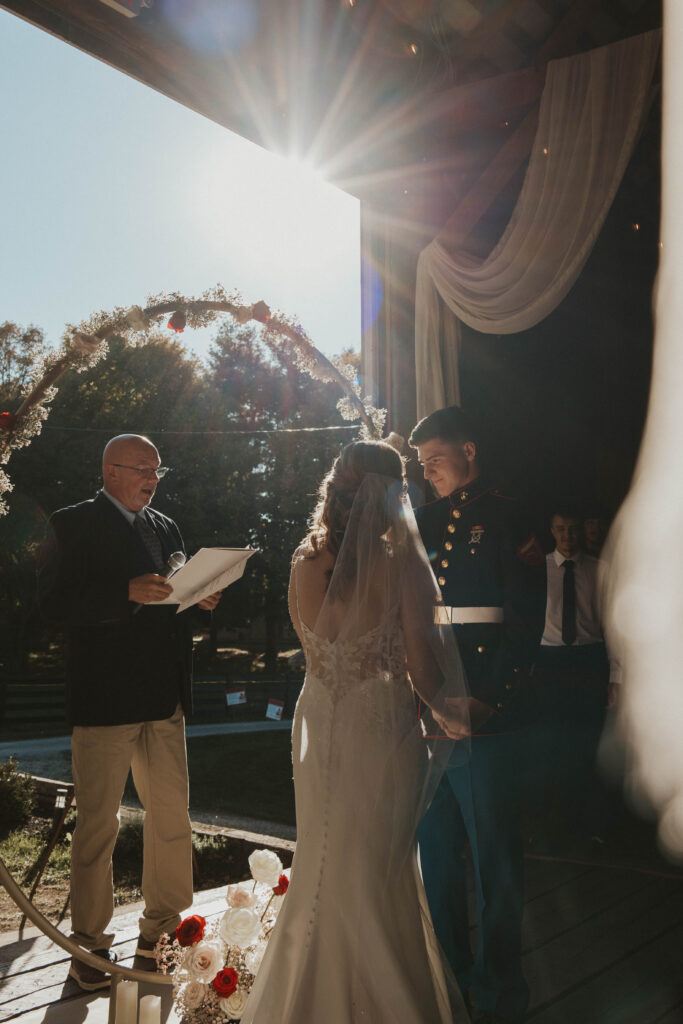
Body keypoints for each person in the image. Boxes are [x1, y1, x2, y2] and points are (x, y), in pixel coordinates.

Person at [242, 440, 471, 1024]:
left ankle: (304, 998)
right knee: (378, 865)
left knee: (322, 855)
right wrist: (453, 713)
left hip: (318, 718)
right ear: (393, 494)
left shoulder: (304, 558)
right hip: (380, 726)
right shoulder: (401, 561)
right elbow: (422, 664)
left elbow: (314, 648)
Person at [37, 433, 221, 992]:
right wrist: (123, 593)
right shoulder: (71, 524)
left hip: (164, 699)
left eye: (157, 470)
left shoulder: (167, 528)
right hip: (104, 700)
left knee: (171, 818)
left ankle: (161, 933)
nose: (153, 479)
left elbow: (172, 606)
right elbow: (50, 604)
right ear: (111, 470)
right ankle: (88, 945)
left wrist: (200, 599)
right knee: (98, 824)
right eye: (143, 469)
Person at [409, 405, 541, 1024]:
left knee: (495, 861)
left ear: (468, 449)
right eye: (420, 463)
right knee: (435, 852)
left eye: (435, 459)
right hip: (431, 704)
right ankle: (451, 979)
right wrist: (428, 693)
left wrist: (492, 699)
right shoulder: (422, 521)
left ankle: (499, 990)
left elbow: (524, 620)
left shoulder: (512, 512)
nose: (427, 471)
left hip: (486, 705)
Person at [528, 509, 619, 845]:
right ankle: (555, 825)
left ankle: (592, 826)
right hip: (549, 662)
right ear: (552, 531)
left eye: (574, 529)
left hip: (588, 659)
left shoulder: (600, 570)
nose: (568, 536)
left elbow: (613, 625)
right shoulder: (539, 569)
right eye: (561, 529)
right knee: (551, 742)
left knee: (587, 742)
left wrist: (616, 673)